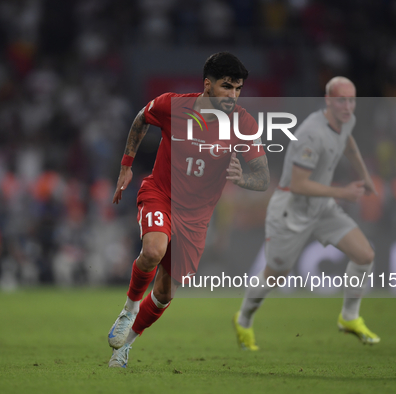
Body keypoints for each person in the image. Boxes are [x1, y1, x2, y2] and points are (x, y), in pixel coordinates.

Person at [108, 52, 270, 367]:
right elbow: (142, 118)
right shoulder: (173, 105)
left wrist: (243, 178)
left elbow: (262, 177)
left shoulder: (243, 123)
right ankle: (128, 310)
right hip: (161, 194)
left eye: (238, 89)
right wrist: (126, 166)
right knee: (153, 250)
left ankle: (125, 346)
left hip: (196, 217)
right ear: (207, 85)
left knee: (165, 293)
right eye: (227, 87)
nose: (233, 96)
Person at [234, 77, 380, 350]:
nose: (348, 106)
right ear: (328, 101)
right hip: (291, 210)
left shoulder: (346, 120)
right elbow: (299, 185)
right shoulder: (311, 134)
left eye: (352, 100)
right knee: (274, 276)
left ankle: (349, 317)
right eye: (341, 100)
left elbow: (347, 143)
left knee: (365, 255)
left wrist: (364, 175)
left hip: (321, 207)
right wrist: (342, 192)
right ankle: (244, 318)